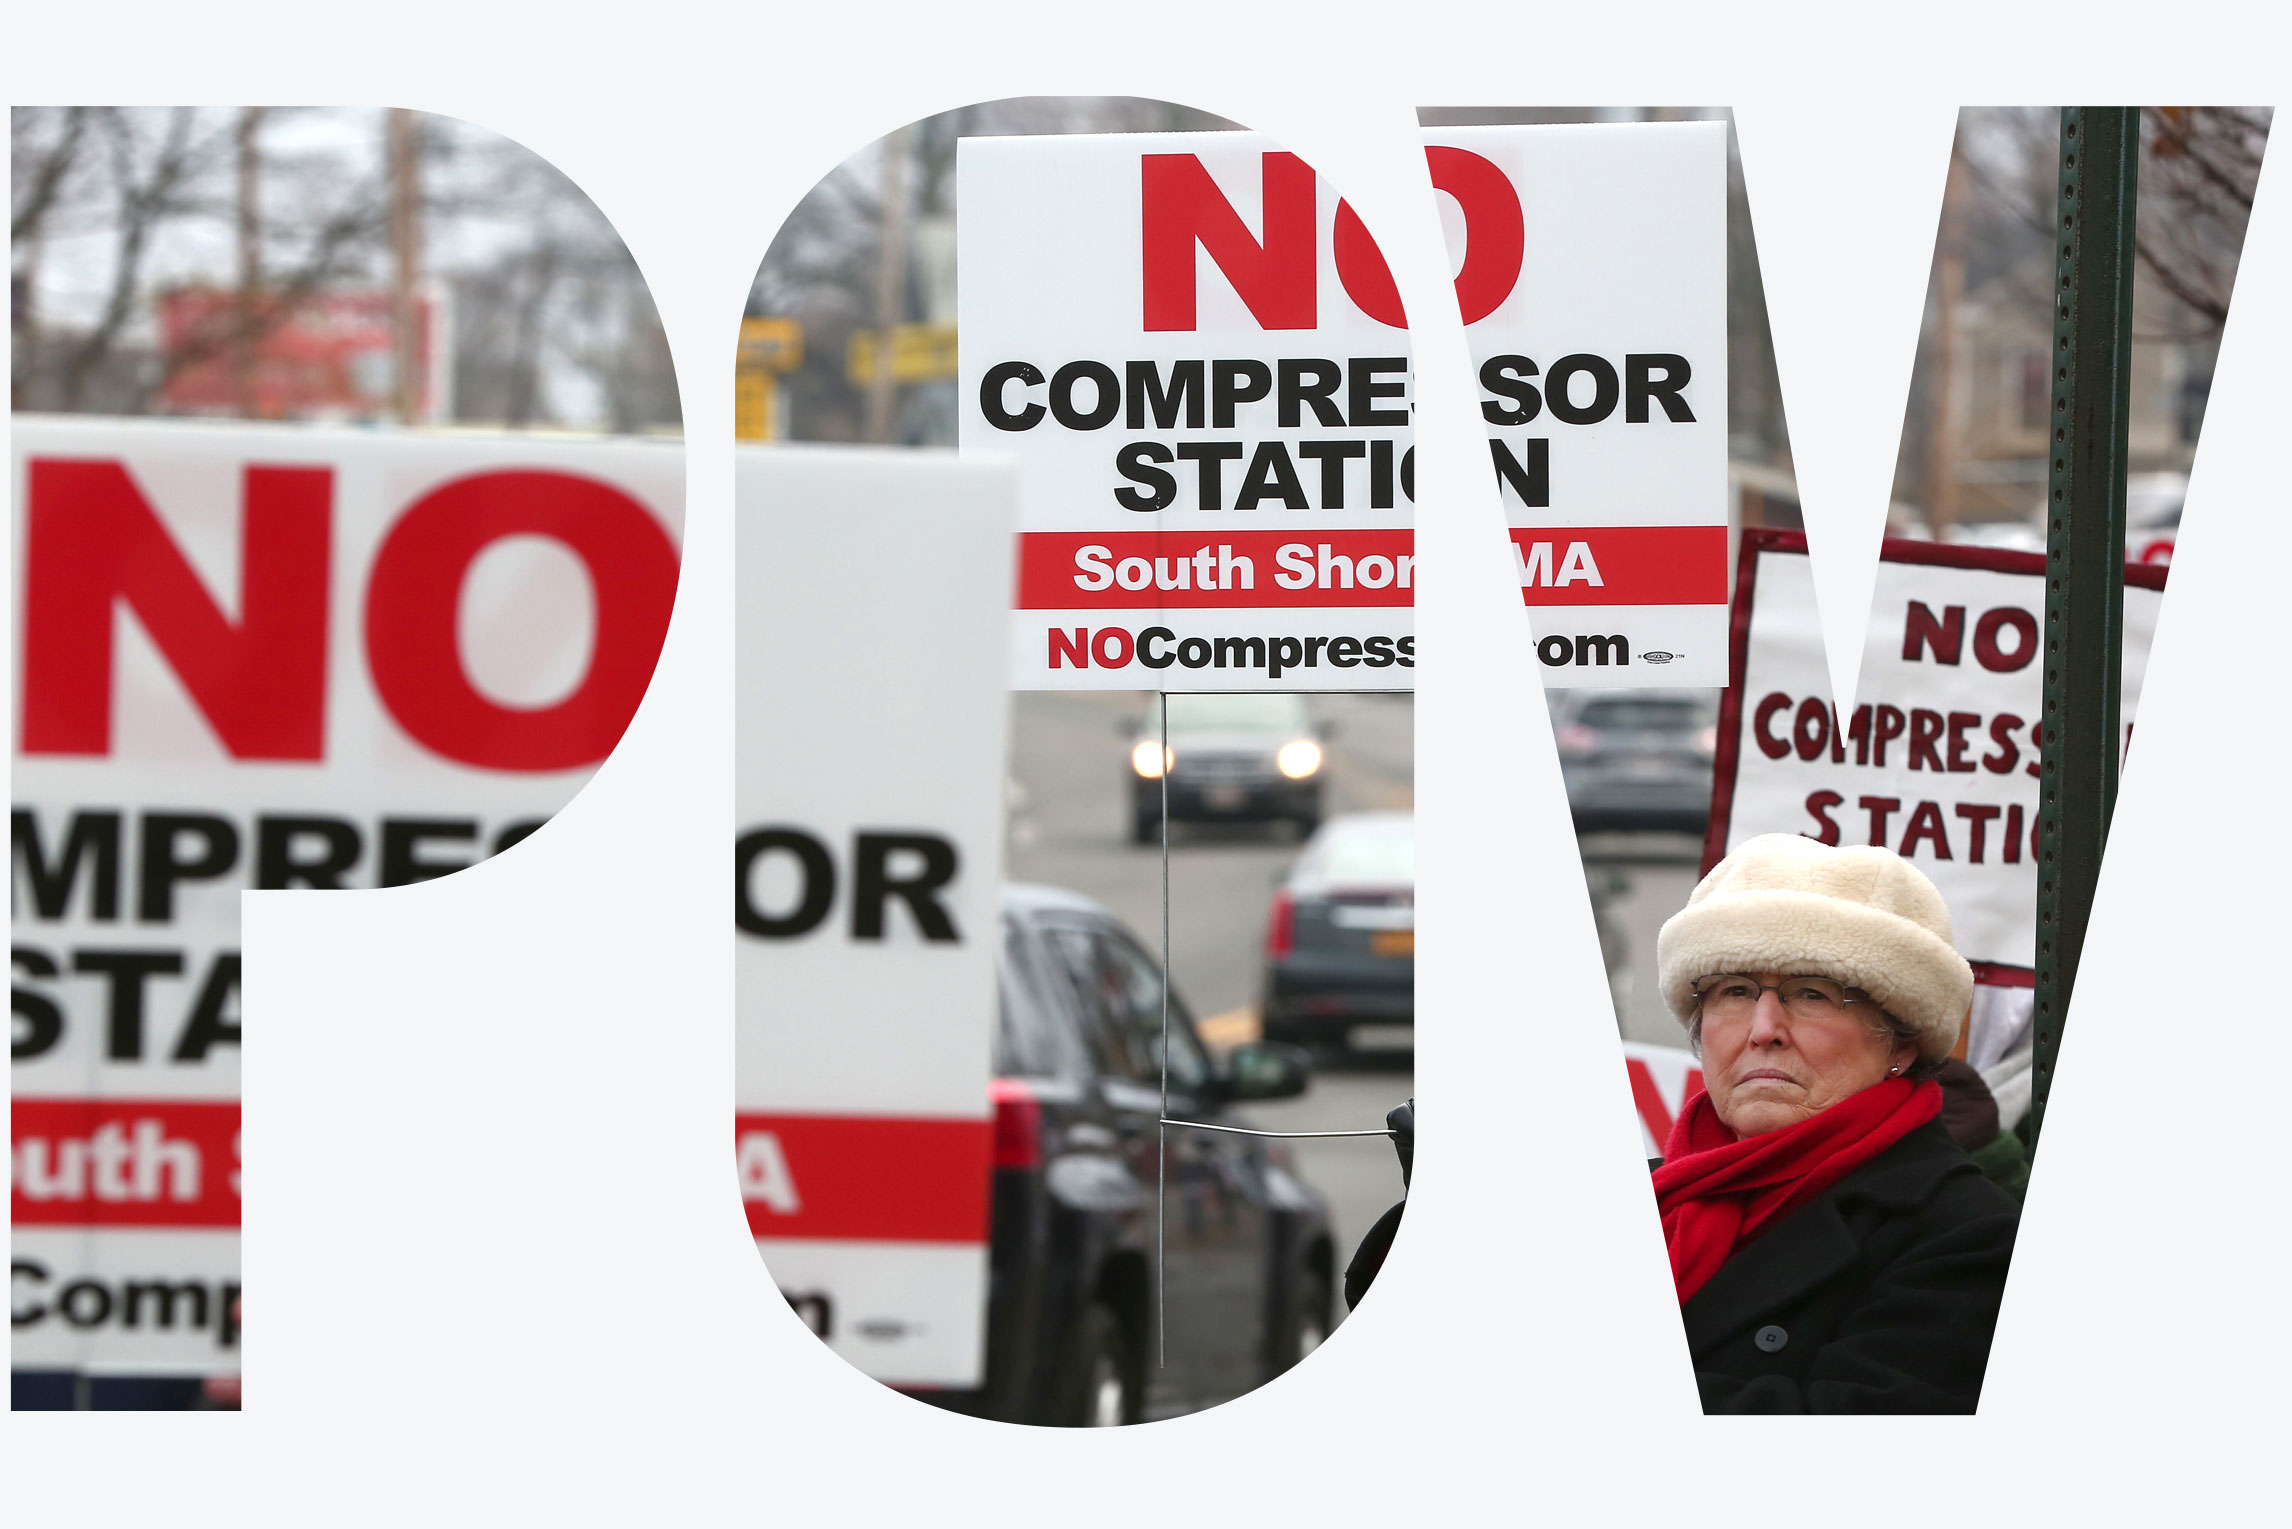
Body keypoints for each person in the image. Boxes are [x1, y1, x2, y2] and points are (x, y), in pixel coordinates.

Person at [1651, 833, 2019, 1413]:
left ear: (1901, 1040)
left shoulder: (1969, 1236)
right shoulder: (1657, 1195)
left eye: (1813, 994)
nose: (1763, 1027)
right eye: (1735, 991)